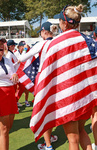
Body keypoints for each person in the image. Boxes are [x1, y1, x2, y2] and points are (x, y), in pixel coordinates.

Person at [30, 4, 97, 150]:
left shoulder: (55, 43)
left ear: (63, 22)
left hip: (68, 98)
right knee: (81, 131)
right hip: (85, 97)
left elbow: (47, 74)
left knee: (73, 140)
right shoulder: (89, 41)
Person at [17, 21, 58, 150]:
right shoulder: (58, 42)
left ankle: (48, 145)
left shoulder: (42, 43)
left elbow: (22, 59)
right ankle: (49, 138)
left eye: (41, 32)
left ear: (45, 31)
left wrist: (24, 49)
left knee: (43, 110)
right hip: (57, 78)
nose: (40, 34)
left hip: (44, 78)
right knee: (51, 108)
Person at [14, 41, 30, 107]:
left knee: (26, 88)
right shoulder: (15, 54)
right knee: (18, 88)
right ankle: (16, 101)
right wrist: (25, 50)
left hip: (24, 72)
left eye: (24, 46)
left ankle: (26, 100)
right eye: (23, 46)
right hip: (17, 73)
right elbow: (21, 59)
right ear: (19, 47)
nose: (24, 48)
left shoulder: (26, 52)